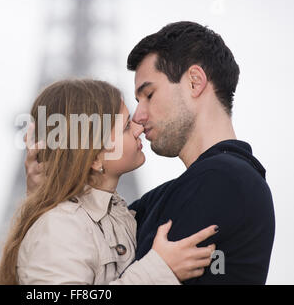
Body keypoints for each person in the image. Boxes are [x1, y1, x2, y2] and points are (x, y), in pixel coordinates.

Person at [25, 21, 276, 284]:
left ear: (194, 82)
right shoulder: (150, 204)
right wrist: (48, 198)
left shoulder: (223, 179)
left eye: (149, 94)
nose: (139, 117)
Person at [0, 79, 218, 285]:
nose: (139, 128)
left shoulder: (117, 218)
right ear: (96, 156)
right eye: (127, 127)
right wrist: (158, 270)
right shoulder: (59, 227)